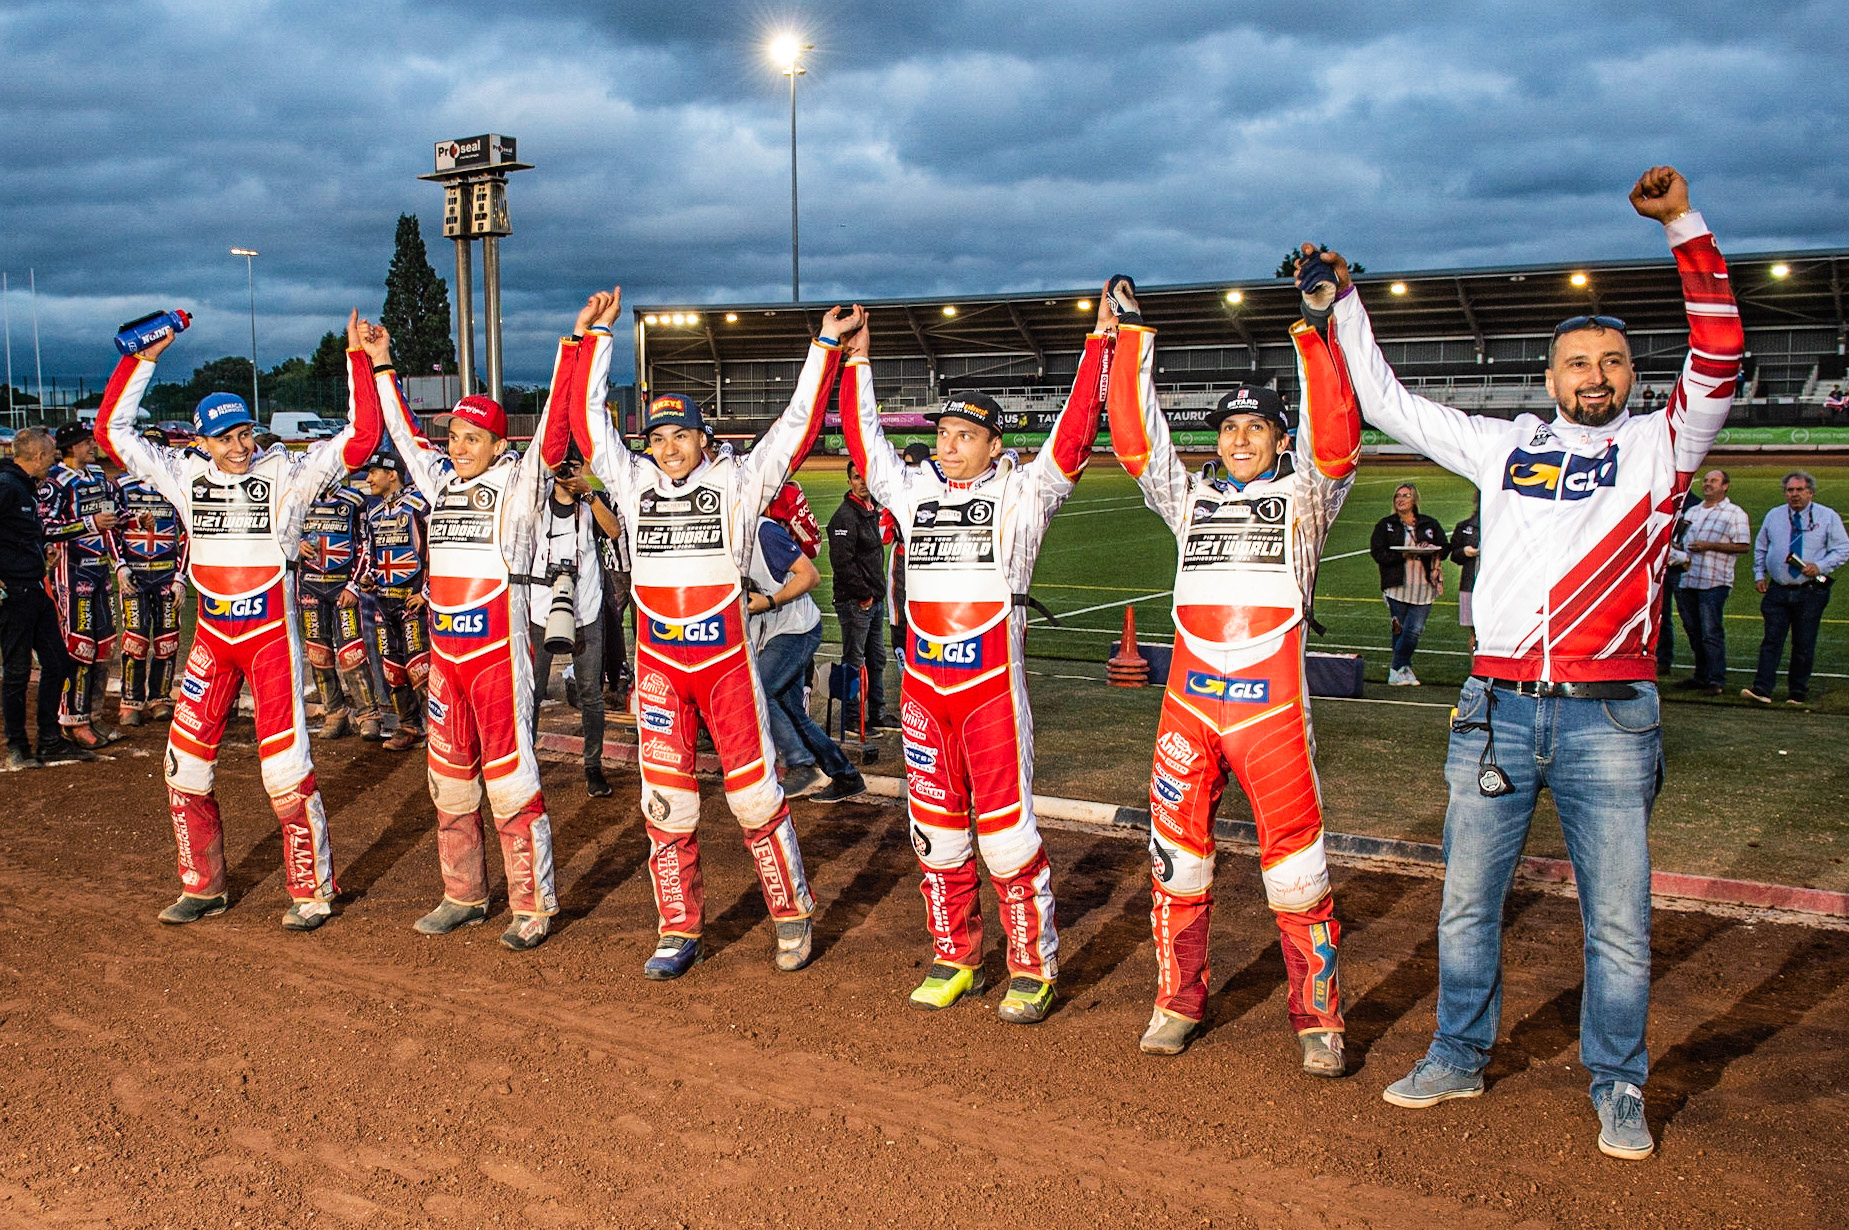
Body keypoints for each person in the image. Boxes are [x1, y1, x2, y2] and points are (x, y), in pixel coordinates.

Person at [1320, 167, 1743, 1162]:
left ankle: (1618, 1083)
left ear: (1630, 376)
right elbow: (1382, 400)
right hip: (1494, 707)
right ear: (1548, 379)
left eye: (1610, 360)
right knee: (1467, 903)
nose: (1593, 375)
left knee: (1619, 923)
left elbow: (1718, 348)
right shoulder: (1500, 446)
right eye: (1575, 363)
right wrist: (1343, 301)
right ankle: (1457, 1056)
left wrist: (1681, 224)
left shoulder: (1666, 443)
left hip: (1610, 717)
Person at [1107, 269, 1362, 1074]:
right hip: (1187, 707)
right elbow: (1135, 441)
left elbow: (1339, 439)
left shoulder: (1310, 499)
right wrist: (1127, 337)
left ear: (1280, 439)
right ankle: (1176, 1002)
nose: (1240, 438)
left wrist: (1313, 327)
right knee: (1176, 864)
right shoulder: (1188, 501)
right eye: (1227, 429)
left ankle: (1317, 1018)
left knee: (1296, 873)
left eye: (1256, 427)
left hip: (1271, 713)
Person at [569, 288, 853, 980]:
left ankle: (791, 914)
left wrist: (824, 346)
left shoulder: (738, 484)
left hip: (726, 665)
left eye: (681, 436)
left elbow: (794, 427)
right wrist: (595, 340)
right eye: (658, 438)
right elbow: (588, 424)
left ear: (704, 439)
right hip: (661, 668)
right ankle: (677, 928)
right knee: (665, 803)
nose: (668, 449)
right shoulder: (632, 485)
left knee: (755, 797)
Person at [841, 291, 1105, 1025]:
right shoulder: (913, 490)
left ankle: (1032, 965)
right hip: (925, 693)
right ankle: (955, 956)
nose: (949, 444)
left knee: (1007, 835)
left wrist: (1097, 347)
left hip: (990, 691)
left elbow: (1074, 442)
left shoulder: (1024, 494)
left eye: (964, 434)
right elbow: (866, 446)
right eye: (944, 432)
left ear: (994, 443)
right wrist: (858, 358)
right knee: (935, 831)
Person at [96, 311, 383, 930]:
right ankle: (203, 886)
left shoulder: (285, 475)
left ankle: (312, 892)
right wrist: (143, 359)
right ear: (201, 441)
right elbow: (111, 432)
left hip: (270, 642)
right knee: (183, 767)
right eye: (225, 438)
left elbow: (360, 439)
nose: (239, 447)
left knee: (284, 770)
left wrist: (358, 359)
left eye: (245, 434)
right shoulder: (181, 474)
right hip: (213, 639)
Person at [374, 315, 576, 952]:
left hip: (498, 652)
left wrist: (573, 345)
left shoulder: (519, 484)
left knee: (512, 780)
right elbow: (405, 437)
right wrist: (382, 365)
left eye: (468, 438)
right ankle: (462, 895)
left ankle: (532, 905)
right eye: (453, 437)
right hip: (445, 656)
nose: (455, 448)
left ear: (495, 442)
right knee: (449, 780)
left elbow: (551, 436)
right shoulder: (438, 482)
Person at [748, 512, 866, 801]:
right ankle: (846, 775)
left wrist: (769, 601)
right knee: (793, 714)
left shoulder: (763, 532)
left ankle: (801, 763)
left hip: (797, 629)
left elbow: (810, 576)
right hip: (776, 633)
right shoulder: (722, 536)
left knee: (759, 689)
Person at [525, 450, 612, 798]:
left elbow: (615, 531)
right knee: (531, 692)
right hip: (540, 610)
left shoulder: (593, 504)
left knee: (591, 693)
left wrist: (588, 493)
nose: (567, 471)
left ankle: (593, 766)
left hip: (585, 612)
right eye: (562, 465)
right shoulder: (536, 504)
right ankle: (525, 764)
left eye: (574, 466)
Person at [0, 426, 85, 769]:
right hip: (13, 595)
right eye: (51, 455)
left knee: (59, 663)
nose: (54, 461)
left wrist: (42, 551)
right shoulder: (6, 486)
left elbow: (18, 534)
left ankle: (50, 740)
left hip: (34, 588)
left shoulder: (23, 486)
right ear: (36, 456)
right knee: (17, 671)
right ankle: (17, 747)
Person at [39, 421, 125, 749]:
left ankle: (94, 715)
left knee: (103, 646)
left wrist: (130, 518)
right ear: (73, 447)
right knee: (79, 648)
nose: (93, 447)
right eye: (88, 442)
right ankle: (72, 721)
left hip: (99, 570)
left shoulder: (99, 477)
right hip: (72, 574)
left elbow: (110, 516)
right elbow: (46, 526)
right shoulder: (56, 482)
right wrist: (88, 523)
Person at [1743, 471, 1849, 705]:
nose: (1795, 495)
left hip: (1811, 589)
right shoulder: (1774, 515)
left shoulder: (1827, 516)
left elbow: (1843, 549)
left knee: (1804, 642)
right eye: (1790, 490)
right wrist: (1759, 574)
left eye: (1800, 490)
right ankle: (1762, 689)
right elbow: (1761, 547)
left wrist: (1819, 566)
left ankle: (1797, 692)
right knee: (1771, 640)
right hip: (1778, 588)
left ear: (1810, 492)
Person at [297, 472, 382, 740]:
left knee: (352, 653)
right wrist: (295, 544)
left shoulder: (355, 501)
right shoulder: (298, 500)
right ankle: (335, 713)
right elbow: (282, 534)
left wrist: (353, 585)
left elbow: (368, 545)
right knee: (318, 654)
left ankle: (369, 715)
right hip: (310, 586)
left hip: (342, 586)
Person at [356, 450, 431, 752]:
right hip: (384, 603)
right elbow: (373, 556)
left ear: (392, 474)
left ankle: (441, 728)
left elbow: (432, 551)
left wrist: (426, 593)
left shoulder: (418, 507)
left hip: (413, 601)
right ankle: (409, 726)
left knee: (421, 668)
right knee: (393, 669)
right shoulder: (375, 514)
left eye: (373, 473)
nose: (368, 478)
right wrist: (369, 576)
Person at [114, 430, 189, 728]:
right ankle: (130, 701)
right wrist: (119, 565)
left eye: (160, 449)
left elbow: (188, 534)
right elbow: (110, 529)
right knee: (135, 638)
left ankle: (160, 698)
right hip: (134, 575)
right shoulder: (120, 487)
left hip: (167, 575)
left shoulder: (177, 488)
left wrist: (181, 576)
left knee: (168, 640)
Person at [1669, 470, 1749, 695]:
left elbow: (1743, 545)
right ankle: (1701, 675)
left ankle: (1716, 679)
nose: (1707, 484)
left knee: (1710, 631)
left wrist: (1709, 546)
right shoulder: (1692, 512)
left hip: (1714, 580)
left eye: (1713, 481)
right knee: (1693, 630)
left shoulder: (1734, 513)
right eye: (1705, 480)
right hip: (1688, 579)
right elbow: (1681, 543)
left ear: (1725, 486)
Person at [827, 459, 893, 732]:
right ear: (850, 482)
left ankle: (877, 712)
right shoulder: (845, 516)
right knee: (854, 661)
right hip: (856, 602)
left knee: (876, 658)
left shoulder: (869, 511)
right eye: (856, 477)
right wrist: (864, 595)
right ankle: (852, 718)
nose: (862, 482)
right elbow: (842, 562)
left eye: (864, 477)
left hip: (871, 601)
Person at [1369, 483, 1446, 686]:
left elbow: (1444, 549)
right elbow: (1378, 552)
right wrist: (1400, 555)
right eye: (1397, 496)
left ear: (1414, 500)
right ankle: (1403, 669)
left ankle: (1397, 668)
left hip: (1424, 588)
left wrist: (1431, 549)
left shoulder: (1429, 524)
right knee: (1399, 629)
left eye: (1406, 495)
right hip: (1397, 587)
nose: (1401, 499)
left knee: (1414, 630)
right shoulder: (1386, 524)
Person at [1448, 500, 1480, 649]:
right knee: (1474, 633)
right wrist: (1464, 552)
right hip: (1470, 585)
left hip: (1497, 588)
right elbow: (1454, 554)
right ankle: (1477, 671)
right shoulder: (1466, 526)